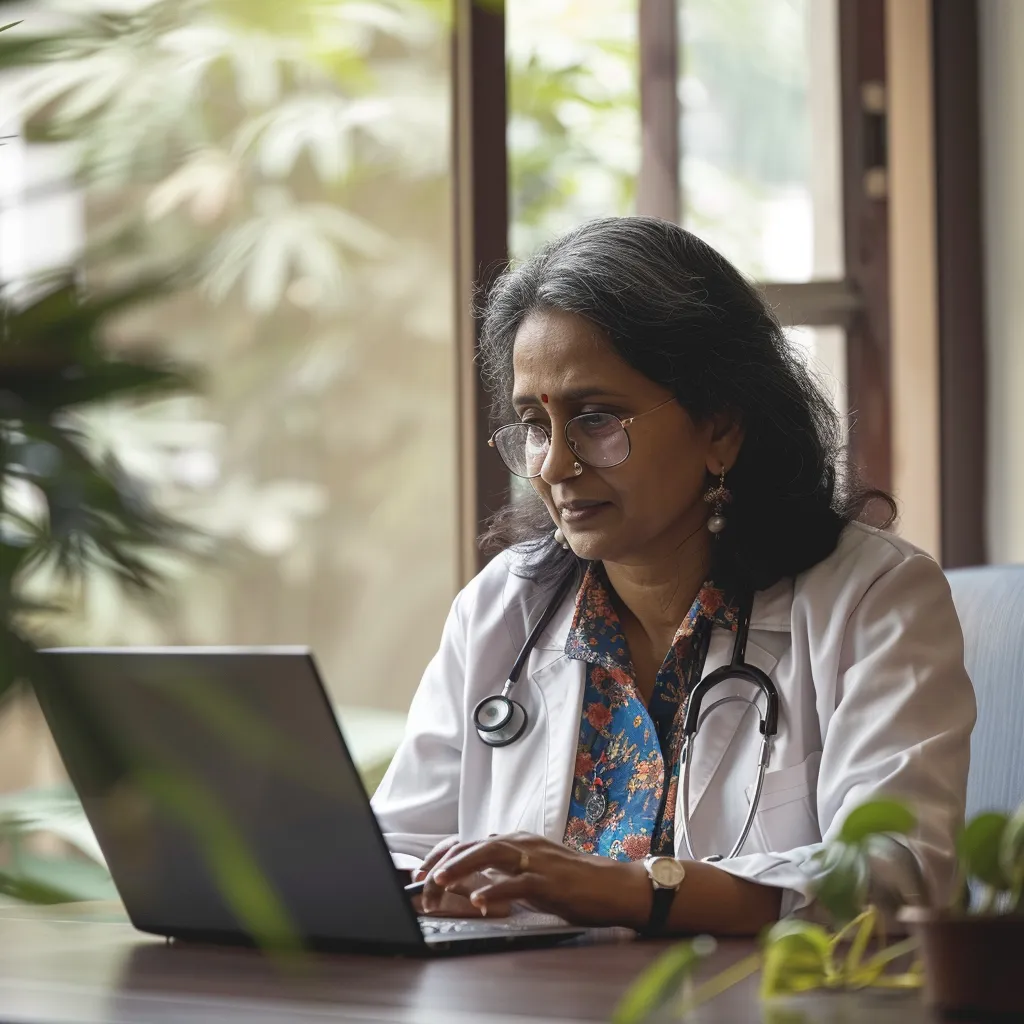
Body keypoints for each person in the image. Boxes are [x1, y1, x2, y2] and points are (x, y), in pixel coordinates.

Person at [371, 217, 976, 936]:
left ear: (720, 426)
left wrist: (631, 890)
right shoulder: (505, 607)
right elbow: (398, 848)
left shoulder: (873, 598)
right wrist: (427, 885)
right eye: (536, 424)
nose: (555, 467)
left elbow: (896, 872)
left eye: (596, 419)